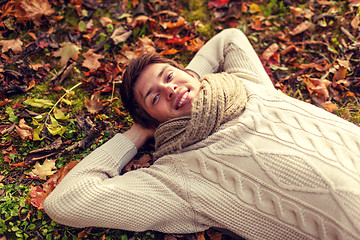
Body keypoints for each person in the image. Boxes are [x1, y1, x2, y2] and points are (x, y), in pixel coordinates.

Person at [44, 28, 360, 240]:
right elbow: (66, 203)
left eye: (169, 75)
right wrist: (135, 134)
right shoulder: (177, 177)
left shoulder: (244, 85)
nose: (169, 88)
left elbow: (229, 39)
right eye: (154, 97)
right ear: (154, 122)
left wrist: (191, 80)